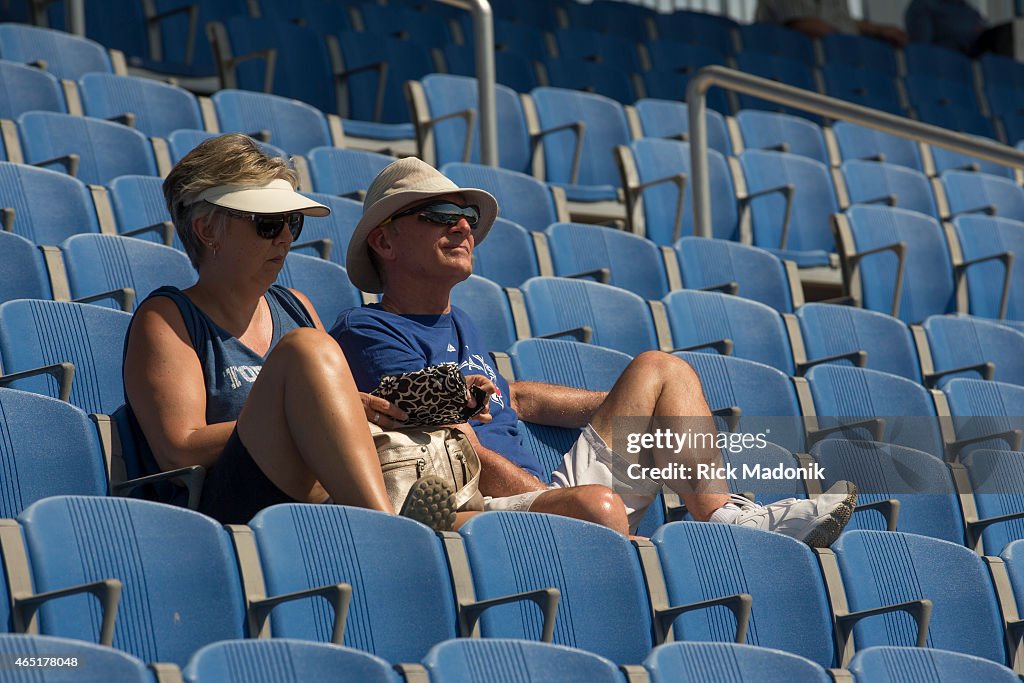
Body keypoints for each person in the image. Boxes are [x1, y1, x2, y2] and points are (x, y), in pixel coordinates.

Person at [330, 157, 859, 546]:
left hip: (544, 494)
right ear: (385, 242)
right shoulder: (371, 330)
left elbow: (511, 396)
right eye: (441, 214)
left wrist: (646, 411)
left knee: (662, 370)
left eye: (467, 213)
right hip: (479, 500)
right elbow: (449, 442)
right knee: (595, 506)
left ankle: (725, 520)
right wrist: (546, 496)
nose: (464, 225)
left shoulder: (460, 324)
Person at [122, 134, 460, 529]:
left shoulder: (295, 305)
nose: (284, 237)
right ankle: (387, 529)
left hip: (313, 496)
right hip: (222, 514)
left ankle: (427, 522)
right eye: (267, 224)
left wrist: (350, 410)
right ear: (206, 230)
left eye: (291, 222)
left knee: (479, 524)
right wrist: (299, 411)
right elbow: (177, 451)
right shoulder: (167, 317)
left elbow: (331, 418)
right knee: (305, 349)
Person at [756, 0, 908, 47]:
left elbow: (840, 22)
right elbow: (804, 24)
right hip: (789, 58)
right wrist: (860, 45)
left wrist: (878, 30)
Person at [905, 0, 1012, 57]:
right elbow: (921, 52)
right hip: (957, 60)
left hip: (987, 55)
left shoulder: (968, 8)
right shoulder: (924, 5)